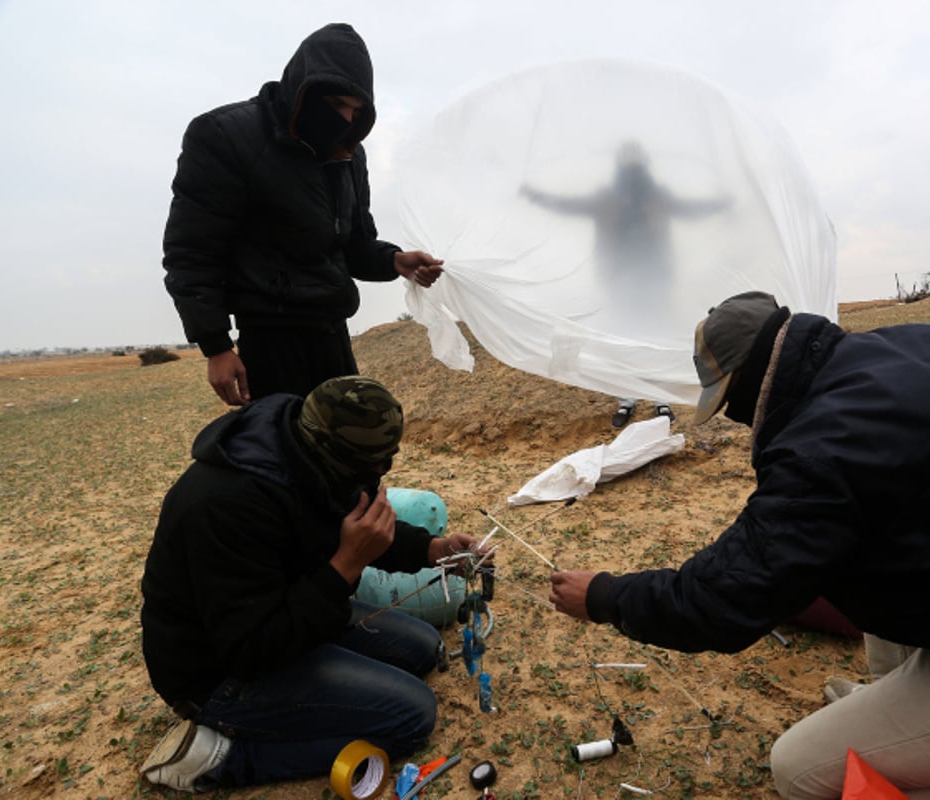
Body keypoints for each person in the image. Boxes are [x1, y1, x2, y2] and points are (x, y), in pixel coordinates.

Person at [549, 291, 930, 799]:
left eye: (732, 404)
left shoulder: (826, 445)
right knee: (862, 554)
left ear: (753, 381)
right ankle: (907, 711)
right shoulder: (922, 344)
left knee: (803, 772)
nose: (739, 420)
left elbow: (721, 601)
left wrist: (603, 595)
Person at [139, 376, 480, 792]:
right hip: (217, 670)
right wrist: (345, 565)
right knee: (411, 716)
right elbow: (250, 650)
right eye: (374, 465)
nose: (380, 474)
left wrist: (436, 549)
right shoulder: (226, 506)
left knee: (422, 648)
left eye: (388, 460)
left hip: (288, 610)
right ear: (332, 451)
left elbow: (362, 524)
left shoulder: (313, 454)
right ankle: (224, 759)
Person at [162, 23, 444, 407]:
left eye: (355, 110)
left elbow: (354, 243)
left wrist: (394, 260)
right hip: (268, 341)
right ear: (303, 89)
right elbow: (191, 250)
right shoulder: (224, 135)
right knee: (282, 457)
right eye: (336, 105)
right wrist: (216, 345)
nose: (345, 119)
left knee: (349, 457)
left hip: (332, 335)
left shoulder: (348, 152)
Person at [520, 140, 729, 428]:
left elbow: (689, 208)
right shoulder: (607, 197)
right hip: (619, 281)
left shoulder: (658, 196)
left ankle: (661, 401)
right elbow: (570, 205)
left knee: (655, 338)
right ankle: (626, 401)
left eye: (636, 162)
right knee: (624, 341)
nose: (633, 168)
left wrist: (718, 203)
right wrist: (535, 196)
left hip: (655, 278)